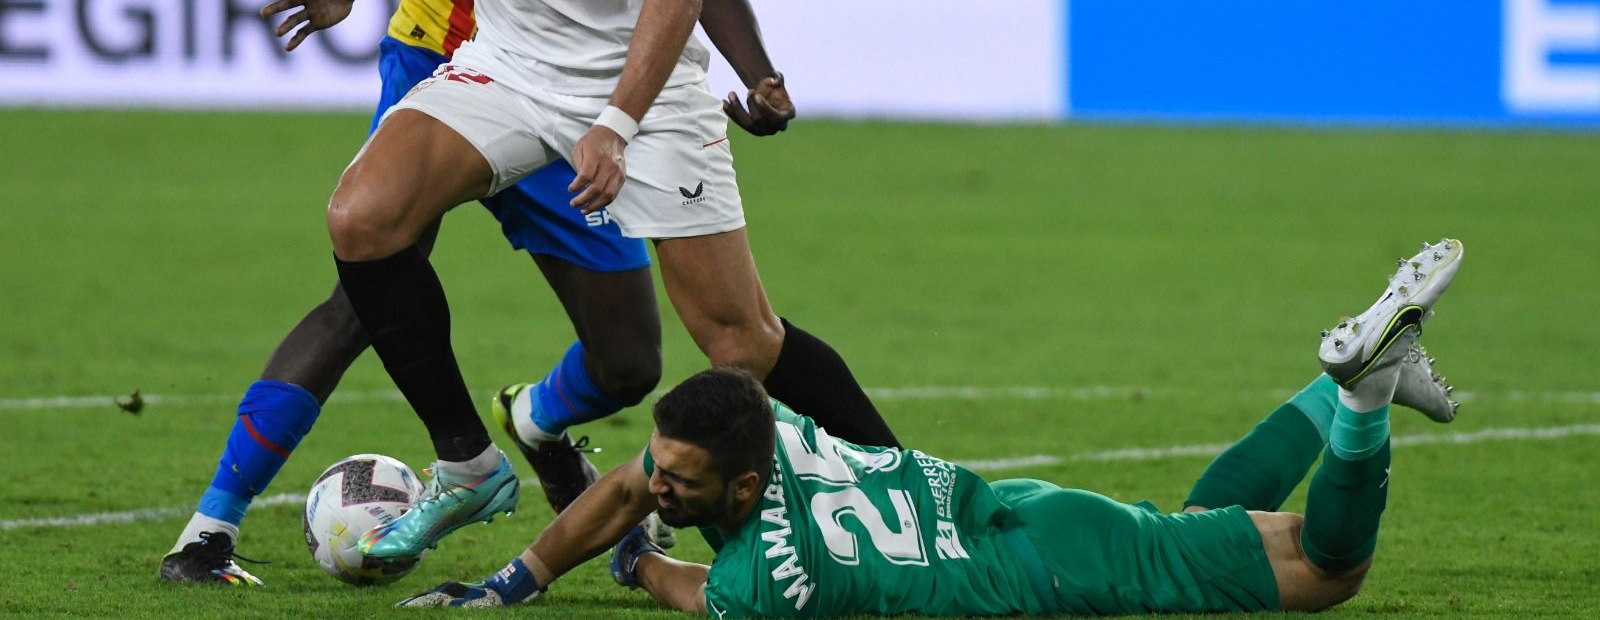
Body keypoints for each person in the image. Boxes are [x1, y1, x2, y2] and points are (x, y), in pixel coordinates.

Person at [157, 0, 895, 586]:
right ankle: (449, 467)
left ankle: (893, 482)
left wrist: (629, 120)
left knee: (712, 345)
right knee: (364, 225)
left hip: (635, 77)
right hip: (497, 62)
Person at [400, 240, 1464, 614]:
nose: (658, 486)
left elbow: (682, 580)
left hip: (1047, 572)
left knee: (1329, 572)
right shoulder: (777, 437)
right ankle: (1343, 388)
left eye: (681, 481)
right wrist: (519, 577)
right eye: (663, 471)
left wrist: (633, 566)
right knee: (1208, 526)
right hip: (1018, 520)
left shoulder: (767, 581)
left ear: (739, 481)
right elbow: (633, 485)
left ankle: (1360, 393)